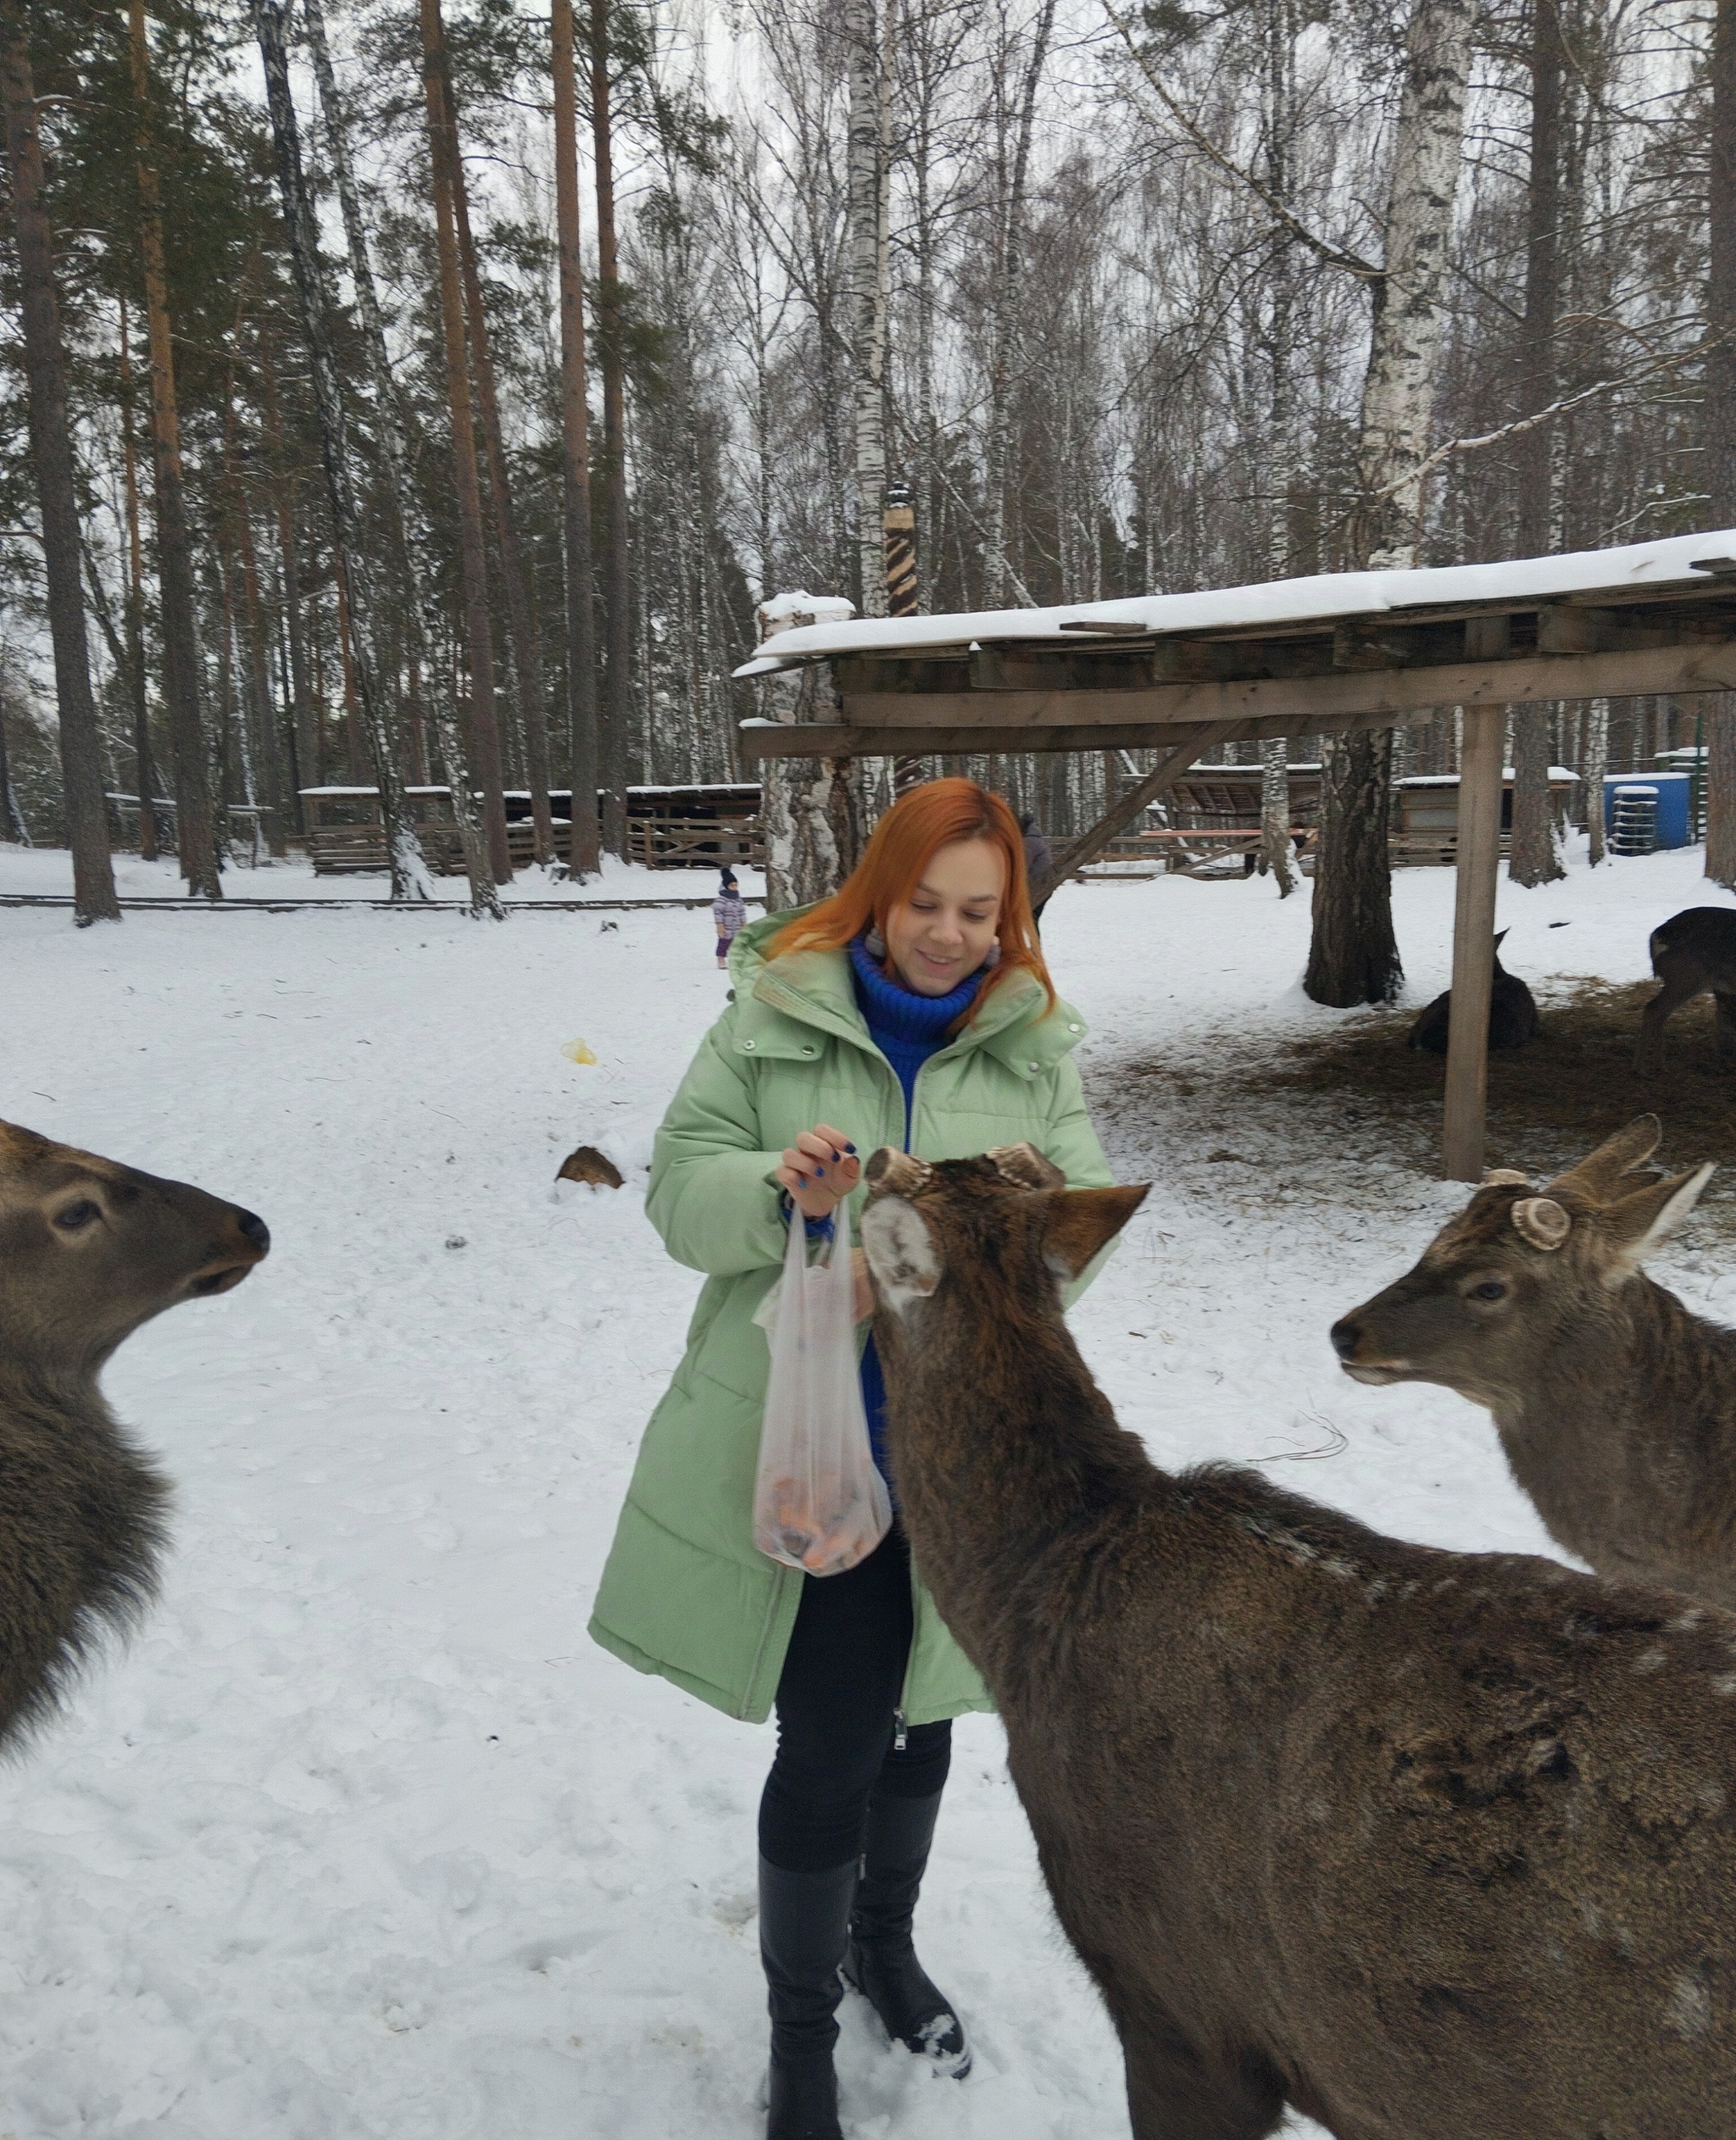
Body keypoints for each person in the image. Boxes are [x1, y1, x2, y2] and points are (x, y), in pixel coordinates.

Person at [589, 779, 1113, 2140]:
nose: (949, 936)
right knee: (831, 1736)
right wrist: (780, 1186)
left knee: (922, 1720)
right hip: (809, 1444)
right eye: (925, 903)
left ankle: (888, 1949)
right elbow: (675, 1189)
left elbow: (1081, 1229)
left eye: (980, 912)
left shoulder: (1034, 1045)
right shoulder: (775, 1009)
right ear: (877, 889)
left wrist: (1007, 1223)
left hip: (966, 1458)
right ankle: (802, 2038)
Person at [1018, 809, 1054, 926]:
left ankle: (1033, 944)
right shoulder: (1035, 838)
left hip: (1039, 886)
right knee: (1031, 919)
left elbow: (1022, 866)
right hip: (1043, 885)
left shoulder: (1030, 842)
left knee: (1030, 919)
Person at [714, 866, 748, 969]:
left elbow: (742, 911)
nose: (734, 887)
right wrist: (720, 924)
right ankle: (721, 959)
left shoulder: (738, 899)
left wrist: (744, 923)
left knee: (737, 944)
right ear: (726, 886)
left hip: (737, 927)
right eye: (732, 885)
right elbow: (717, 912)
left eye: (736, 885)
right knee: (723, 944)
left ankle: (737, 960)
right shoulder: (722, 900)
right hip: (726, 927)